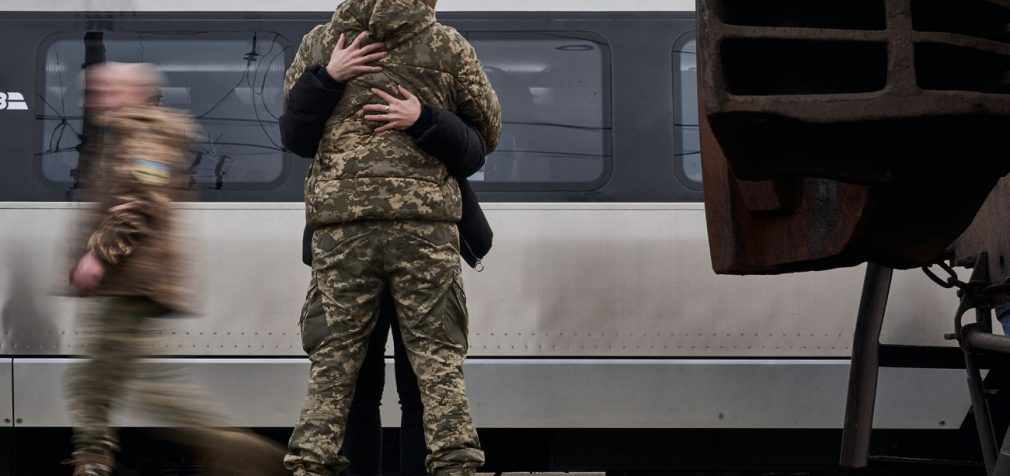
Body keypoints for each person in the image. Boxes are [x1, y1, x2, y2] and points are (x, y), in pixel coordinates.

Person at [282, 0, 501, 474]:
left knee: (335, 370)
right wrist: (332, 78)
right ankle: (454, 465)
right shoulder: (447, 44)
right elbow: (485, 137)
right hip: (423, 235)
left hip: (342, 236)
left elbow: (295, 137)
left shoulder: (321, 41)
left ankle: (309, 466)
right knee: (436, 368)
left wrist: (419, 116)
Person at [64, 62, 285, 476]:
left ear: (137, 92)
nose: (97, 98)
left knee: (101, 382)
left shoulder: (145, 133)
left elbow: (142, 201)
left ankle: (243, 454)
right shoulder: (125, 132)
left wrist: (99, 255)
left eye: (109, 89)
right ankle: (94, 459)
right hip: (128, 282)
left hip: (132, 281)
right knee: (130, 382)